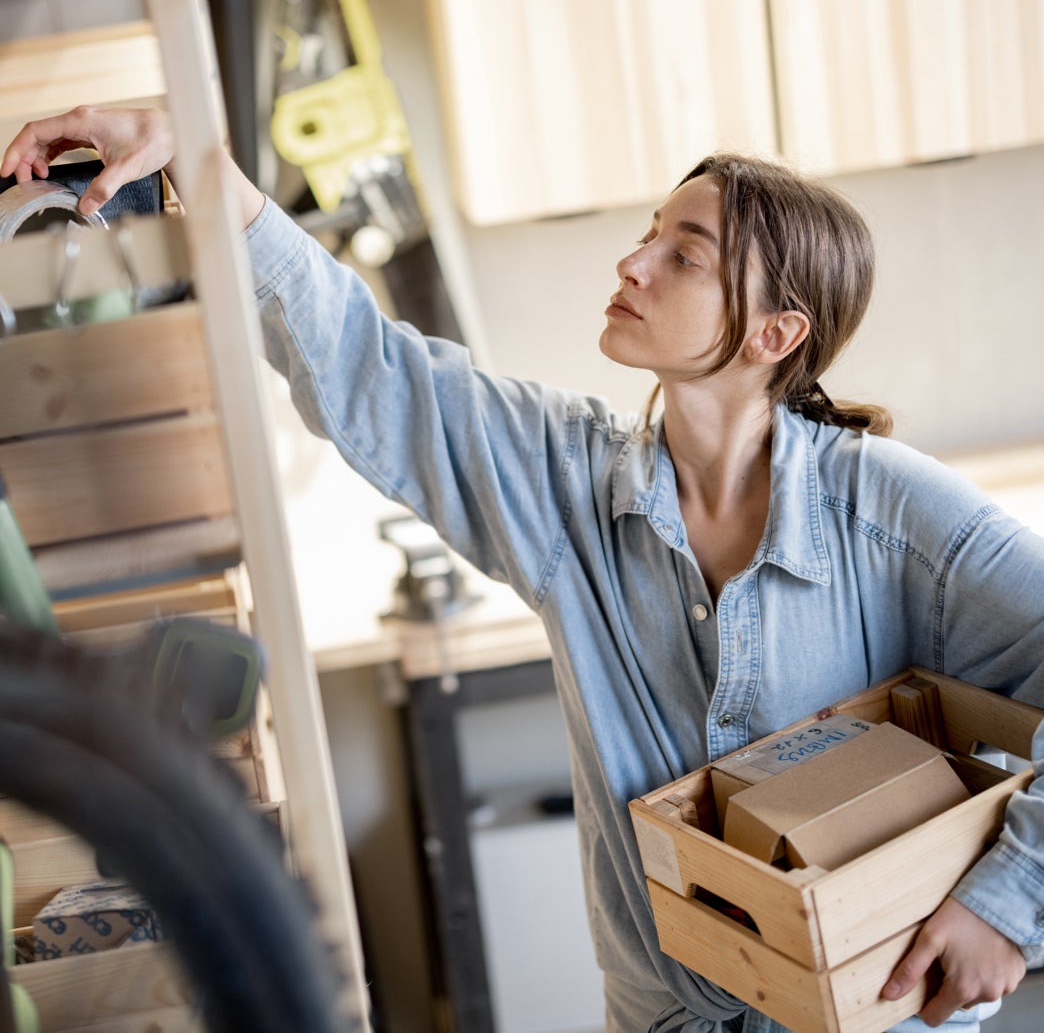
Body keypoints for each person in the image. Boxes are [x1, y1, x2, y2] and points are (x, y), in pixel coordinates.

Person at [5, 106, 1043, 1033]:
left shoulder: (895, 518)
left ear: (777, 333)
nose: (633, 264)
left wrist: (1007, 900)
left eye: (684, 254)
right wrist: (206, 169)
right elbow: (374, 370)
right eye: (648, 235)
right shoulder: (569, 484)